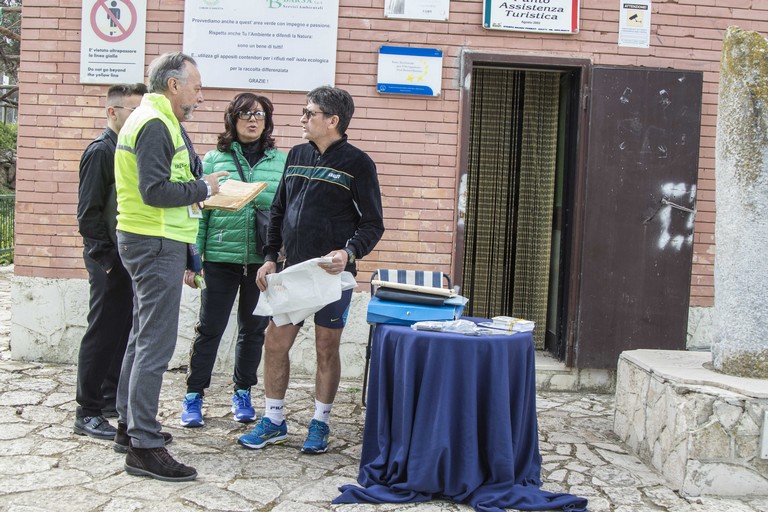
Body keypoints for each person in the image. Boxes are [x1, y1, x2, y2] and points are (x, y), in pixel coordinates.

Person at [238, 86, 385, 454]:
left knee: (326, 347)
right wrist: (270, 256)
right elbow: (278, 211)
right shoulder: (297, 155)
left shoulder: (358, 164)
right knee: (275, 342)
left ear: (332, 121)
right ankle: (273, 420)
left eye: (309, 113)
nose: (302, 119)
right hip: (291, 272)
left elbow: (372, 224)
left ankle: (321, 422)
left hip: (331, 275)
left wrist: (349, 253)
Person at [113, 51, 228, 482]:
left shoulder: (158, 120)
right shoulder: (156, 124)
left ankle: (130, 426)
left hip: (155, 239)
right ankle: (143, 444)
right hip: (154, 240)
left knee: (142, 337)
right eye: (196, 86)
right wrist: (204, 187)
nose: (200, 94)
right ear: (173, 85)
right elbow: (156, 191)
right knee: (155, 345)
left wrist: (198, 179)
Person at [180, 92, 286, 427]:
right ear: (232, 119)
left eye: (259, 114)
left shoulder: (281, 161)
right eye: (245, 114)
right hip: (220, 259)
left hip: (261, 261)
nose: (253, 120)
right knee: (209, 328)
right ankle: (194, 396)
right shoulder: (213, 160)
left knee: (253, 330)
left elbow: (285, 212)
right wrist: (192, 259)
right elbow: (199, 213)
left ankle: (243, 391)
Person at [73, 83, 147, 440]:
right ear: (112, 112)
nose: (139, 119)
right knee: (102, 331)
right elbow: (88, 214)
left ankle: (107, 402)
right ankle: (86, 410)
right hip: (108, 259)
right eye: (133, 111)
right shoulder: (102, 151)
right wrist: (105, 260)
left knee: (121, 332)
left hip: (128, 257)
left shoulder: (129, 149)